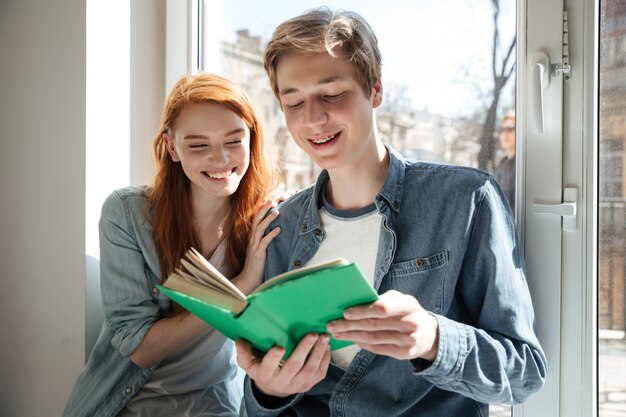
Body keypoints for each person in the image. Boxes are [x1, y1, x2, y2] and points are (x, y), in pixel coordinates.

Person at [235, 7, 547, 417]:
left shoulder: (466, 199)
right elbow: (258, 401)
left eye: (332, 94)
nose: (312, 118)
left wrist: (433, 340)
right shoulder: (281, 225)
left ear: (376, 90)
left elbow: (523, 373)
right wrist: (266, 393)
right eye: (293, 102)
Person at [63, 73, 281, 417]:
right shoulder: (127, 213)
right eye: (198, 145)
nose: (221, 159)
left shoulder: (265, 222)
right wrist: (236, 290)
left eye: (234, 140)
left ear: (251, 140)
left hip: (213, 405)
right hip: (124, 402)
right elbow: (139, 349)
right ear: (172, 147)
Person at [493, 110, 516, 209]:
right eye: (503, 129)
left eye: (510, 129)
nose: (505, 133)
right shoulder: (503, 162)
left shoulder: (524, 164)